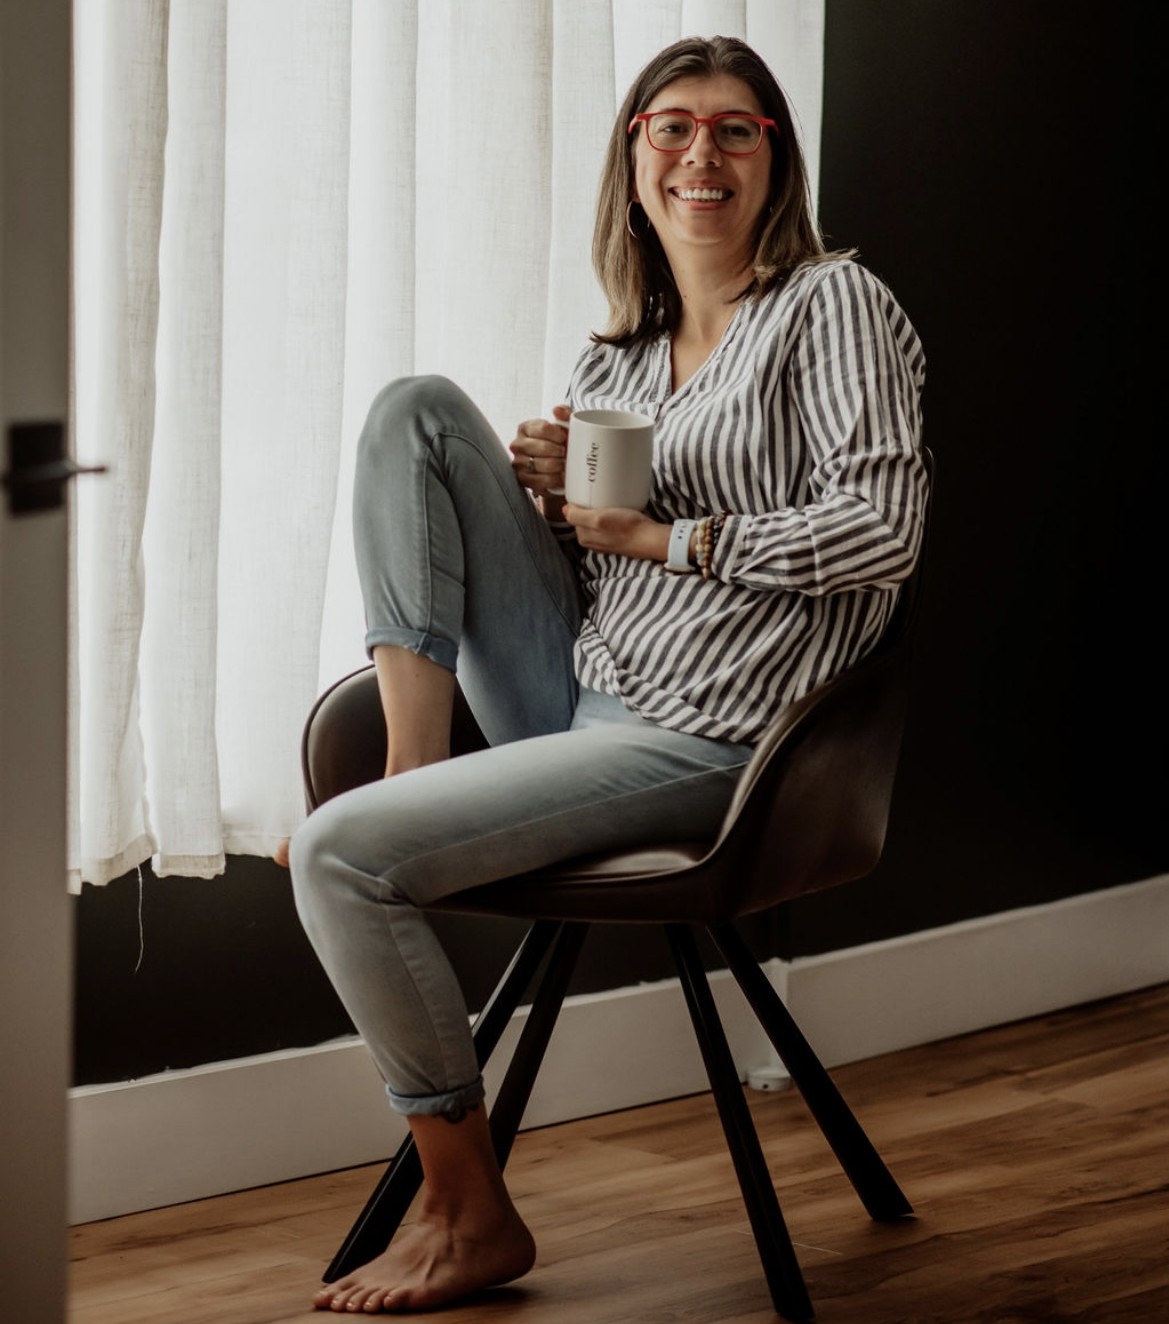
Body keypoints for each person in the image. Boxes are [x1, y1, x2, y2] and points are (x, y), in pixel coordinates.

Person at [287, 33, 926, 1315]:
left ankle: (468, 1208)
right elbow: (604, 584)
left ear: (773, 158)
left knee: (338, 857)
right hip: (582, 698)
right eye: (670, 126)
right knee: (416, 411)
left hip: (722, 749)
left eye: (734, 128)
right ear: (632, 157)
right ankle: (423, 770)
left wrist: (658, 529)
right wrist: (554, 497)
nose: (701, 152)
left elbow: (880, 531)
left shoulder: (831, 305)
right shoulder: (616, 357)